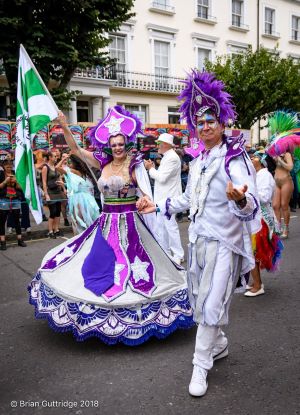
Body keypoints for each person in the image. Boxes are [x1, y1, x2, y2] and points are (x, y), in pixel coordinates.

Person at [137, 70, 260, 397]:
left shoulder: (234, 156)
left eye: (211, 120)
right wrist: (158, 205)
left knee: (209, 305)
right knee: (200, 300)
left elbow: (251, 202)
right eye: (199, 121)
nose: (205, 126)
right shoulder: (201, 158)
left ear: (222, 123)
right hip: (198, 242)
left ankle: (200, 366)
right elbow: (190, 198)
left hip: (224, 243)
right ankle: (218, 343)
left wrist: (241, 198)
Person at [28, 105, 193, 345]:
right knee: (93, 264)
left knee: (132, 270)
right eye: (113, 144)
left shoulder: (135, 164)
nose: (117, 147)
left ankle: (132, 317)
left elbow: (146, 194)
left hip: (130, 224)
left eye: (120, 143)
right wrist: (64, 125)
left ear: (126, 143)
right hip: (106, 223)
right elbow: (74, 148)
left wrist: (145, 199)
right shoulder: (101, 161)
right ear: (109, 145)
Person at [244, 151, 283, 297]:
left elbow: (265, 197)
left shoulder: (264, 175)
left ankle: (258, 285)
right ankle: (255, 282)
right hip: (255, 217)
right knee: (251, 251)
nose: (251, 159)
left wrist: (247, 194)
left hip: (262, 220)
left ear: (261, 161)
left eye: (254, 157)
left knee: (252, 252)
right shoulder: (256, 174)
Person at [144, 133, 185, 264]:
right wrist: (153, 168)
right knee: (161, 226)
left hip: (168, 199)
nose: (157, 146)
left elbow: (161, 178)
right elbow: (162, 177)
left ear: (166, 145)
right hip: (163, 199)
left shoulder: (172, 158)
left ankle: (178, 255)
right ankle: (165, 253)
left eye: (159, 143)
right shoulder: (168, 157)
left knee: (170, 226)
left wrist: (150, 169)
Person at [55, 153, 100, 234]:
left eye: (70, 162)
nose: (69, 164)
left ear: (74, 163)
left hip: (79, 199)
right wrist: (64, 184)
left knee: (79, 221)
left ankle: (83, 238)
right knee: (86, 220)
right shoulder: (84, 173)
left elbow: (57, 167)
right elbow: (80, 186)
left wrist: (63, 159)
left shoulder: (72, 171)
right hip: (87, 198)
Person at [0, 160, 27, 250]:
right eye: (7, 167)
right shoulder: (1, 174)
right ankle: (3, 242)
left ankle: (20, 240)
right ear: (3, 167)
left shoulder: (16, 173)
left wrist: (16, 182)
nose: (9, 168)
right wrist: (5, 181)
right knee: (2, 221)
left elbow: (22, 188)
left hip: (15, 199)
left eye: (10, 166)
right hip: (4, 199)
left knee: (17, 221)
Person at [41, 151, 65, 238]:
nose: (56, 157)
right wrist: (46, 194)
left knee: (58, 212)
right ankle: (50, 231)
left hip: (58, 192)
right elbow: (44, 182)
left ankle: (57, 229)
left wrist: (64, 189)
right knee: (53, 212)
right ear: (50, 157)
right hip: (50, 192)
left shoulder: (55, 167)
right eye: (54, 156)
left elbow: (59, 178)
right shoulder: (45, 167)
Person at [272, 152, 294, 239]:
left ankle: (286, 228)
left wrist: (280, 160)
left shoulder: (287, 154)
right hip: (277, 182)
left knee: (284, 205)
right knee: (275, 205)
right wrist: (275, 159)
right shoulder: (277, 154)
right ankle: (278, 227)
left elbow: (290, 167)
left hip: (286, 181)